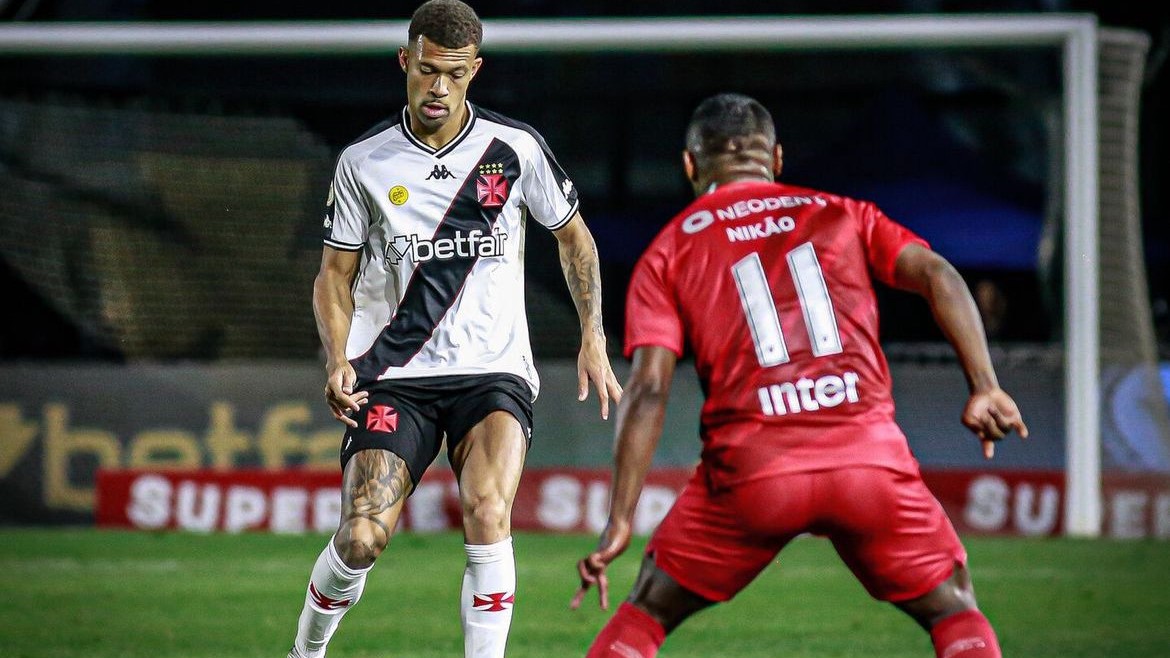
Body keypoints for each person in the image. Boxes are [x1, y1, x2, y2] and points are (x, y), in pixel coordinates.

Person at [571, 93, 1028, 658]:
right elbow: (938, 274)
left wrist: (619, 519)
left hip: (754, 474)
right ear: (778, 159)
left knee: (649, 610)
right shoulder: (843, 212)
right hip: (867, 462)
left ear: (690, 166)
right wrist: (984, 385)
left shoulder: (669, 249)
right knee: (953, 608)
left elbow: (649, 390)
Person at [287, 2, 622, 657]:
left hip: (491, 372)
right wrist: (336, 360)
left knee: (488, 510)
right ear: (405, 62)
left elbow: (574, 238)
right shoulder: (365, 161)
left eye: (456, 74)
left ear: (476, 71)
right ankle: (306, 650)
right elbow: (334, 274)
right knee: (360, 537)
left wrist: (594, 335)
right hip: (393, 377)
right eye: (429, 70)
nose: (439, 87)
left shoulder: (513, 151)